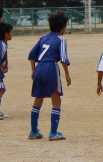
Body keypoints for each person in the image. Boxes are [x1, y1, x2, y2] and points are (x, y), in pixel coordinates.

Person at [28, 11, 72, 141]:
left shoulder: (43, 37)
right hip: (51, 67)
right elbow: (63, 58)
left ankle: (33, 131)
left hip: (39, 67)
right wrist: (67, 74)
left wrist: (33, 70)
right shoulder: (61, 39)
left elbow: (32, 54)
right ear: (63, 27)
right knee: (56, 99)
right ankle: (53, 132)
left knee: (38, 98)